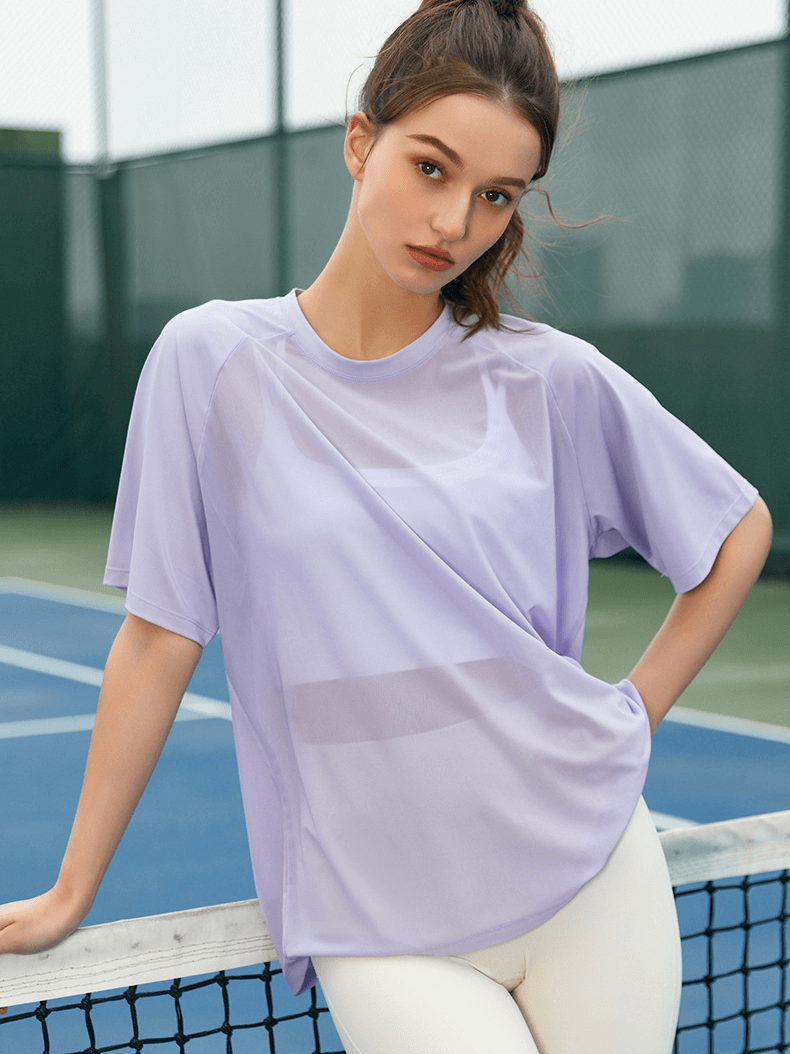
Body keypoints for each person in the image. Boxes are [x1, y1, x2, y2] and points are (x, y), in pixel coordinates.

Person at [0, 0, 773, 1051]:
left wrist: (632, 714)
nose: (454, 221)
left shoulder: (545, 378)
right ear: (360, 140)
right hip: (373, 910)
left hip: (588, 864)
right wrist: (70, 886)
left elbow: (733, 530)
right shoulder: (210, 362)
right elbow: (160, 631)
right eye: (431, 167)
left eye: (495, 195)